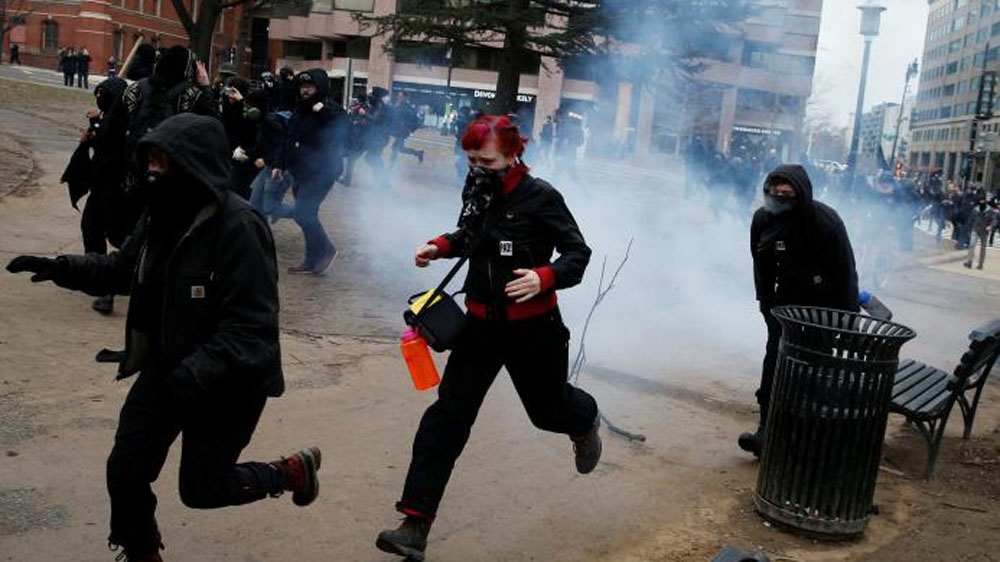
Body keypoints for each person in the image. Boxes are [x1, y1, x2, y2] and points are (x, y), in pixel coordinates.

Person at [6, 114, 322, 562]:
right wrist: (62, 268)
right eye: (149, 160)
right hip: (169, 368)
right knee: (126, 470)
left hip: (230, 384)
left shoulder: (240, 227)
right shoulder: (161, 215)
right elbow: (121, 270)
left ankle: (287, 473)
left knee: (202, 490)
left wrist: (194, 373)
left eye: (163, 161)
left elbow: (252, 330)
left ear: (194, 165)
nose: (153, 171)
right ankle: (140, 551)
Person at [375, 115, 601, 561]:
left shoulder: (542, 197)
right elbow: (472, 236)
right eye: (472, 159)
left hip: (534, 330)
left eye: (487, 160)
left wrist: (545, 276)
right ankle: (414, 525)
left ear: (514, 153)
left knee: (548, 411)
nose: (477, 167)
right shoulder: (477, 187)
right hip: (478, 327)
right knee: (447, 419)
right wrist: (439, 246)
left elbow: (578, 252)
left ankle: (584, 421)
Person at [739, 164, 859, 457]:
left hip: (823, 309)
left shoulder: (824, 222)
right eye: (773, 192)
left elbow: (845, 273)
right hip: (783, 308)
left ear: (801, 194)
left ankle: (806, 437)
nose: (777, 197)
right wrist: (766, 305)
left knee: (813, 373)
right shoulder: (762, 220)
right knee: (774, 366)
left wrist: (846, 322)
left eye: (785, 193)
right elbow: (761, 265)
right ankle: (767, 429)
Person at [272, 69, 347, 274]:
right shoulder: (299, 110)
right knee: (306, 215)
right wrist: (279, 164)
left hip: (322, 172)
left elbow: (345, 130)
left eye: (310, 86)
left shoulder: (331, 110)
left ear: (319, 88)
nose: (305, 90)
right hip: (300, 171)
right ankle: (311, 259)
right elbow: (287, 138)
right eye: (302, 86)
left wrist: (322, 111)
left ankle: (326, 250)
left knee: (303, 213)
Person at [388, 91, 425, 166]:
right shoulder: (397, 106)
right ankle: (418, 153)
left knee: (395, 148)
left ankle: (392, 165)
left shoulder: (408, 109)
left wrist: (410, 130)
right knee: (399, 148)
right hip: (397, 131)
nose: (399, 98)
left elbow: (416, 122)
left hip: (402, 132)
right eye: (399, 96)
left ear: (405, 98)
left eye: (401, 96)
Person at [964, 197, 996, 269]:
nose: (982, 202)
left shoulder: (990, 210)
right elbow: (971, 219)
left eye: (983, 201)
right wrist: (969, 228)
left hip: (984, 231)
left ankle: (980, 264)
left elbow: (994, 219)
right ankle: (969, 262)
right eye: (980, 201)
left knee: (983, 247)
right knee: (972, 245)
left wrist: (990, 226)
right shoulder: (975, 209)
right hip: (975, 229)